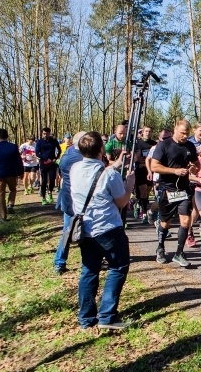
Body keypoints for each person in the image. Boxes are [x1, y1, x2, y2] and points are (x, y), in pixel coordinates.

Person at [70, 131, 135, 330]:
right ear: (101, 150)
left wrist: (116, 163)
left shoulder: (74, 169)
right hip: (108, 229)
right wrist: (129, 185)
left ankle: (86, 319)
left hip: (85, 230)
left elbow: (98, 171)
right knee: (118, 266)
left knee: (89, 271)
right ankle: (107, 315)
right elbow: (122, 202)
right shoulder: (109, 175)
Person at [151, 120, 199, 268]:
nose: (185, 136)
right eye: (182, 133)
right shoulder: (164, 145)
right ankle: (160, 247)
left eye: (187, 133)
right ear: (175, 130)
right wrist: (175, 171)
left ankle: (179, 253)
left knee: (185, 222)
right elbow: (154, 166)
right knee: (165, 223)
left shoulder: (190, 146)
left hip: (183, 190)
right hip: (167, 189)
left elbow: (197, 164)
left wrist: (193, 169)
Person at [53, 131, 87, 274]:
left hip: (68, 198)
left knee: (68, 231)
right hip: (76, 200)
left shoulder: (68, 153)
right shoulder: (79, 157)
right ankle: (62, 262)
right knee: (78, 231)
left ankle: (59, 262)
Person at [0, 129, 24, 222]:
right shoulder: (13, 147)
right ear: (7, 136)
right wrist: (21, 172)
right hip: (11, 173)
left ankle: (3, 216)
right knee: (13, 189)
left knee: (0, 194)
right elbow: (18, 160)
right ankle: (11, 204)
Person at [133, 126, 156, 223]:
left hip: (150, 170)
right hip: (141, 169)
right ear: (142, 132)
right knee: (143, 191)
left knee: (147, 192)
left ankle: (139, 203)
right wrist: (139, 161)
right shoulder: (138, 143)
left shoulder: (154, 144)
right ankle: (144, 213)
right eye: (146, 131)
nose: (148, 133)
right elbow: (135, 156)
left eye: (150, 131)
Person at [35, 127, 61, 205]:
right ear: (42, 134)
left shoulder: (54, 141)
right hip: (43, 163)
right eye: (44, 134)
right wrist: (45, 158)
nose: (45, 135)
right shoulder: (39, 142)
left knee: (52, 179)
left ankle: (49, 193)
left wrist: (55, 158)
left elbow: (59, 150)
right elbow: (37, 153)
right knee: (44, 181)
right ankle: (43, 197)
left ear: (49, 133)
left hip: (52, 163)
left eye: (47, 134)